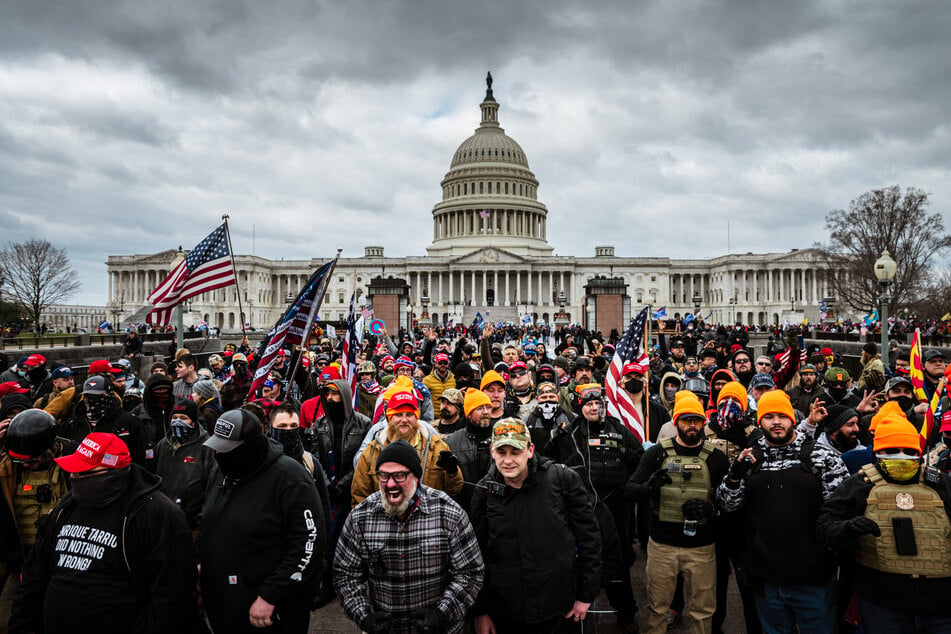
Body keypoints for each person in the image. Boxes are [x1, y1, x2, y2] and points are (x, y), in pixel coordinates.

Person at [10, 433, 201, 633]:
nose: (74, 477)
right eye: (73, 471)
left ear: (113, 471)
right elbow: (35, 573)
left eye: (83, 472)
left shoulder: (157, 515)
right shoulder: (67, 506)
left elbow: (173, 596)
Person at [717, 390, 849, 632]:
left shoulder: (822, 457)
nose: (776, 422)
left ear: (792, 418)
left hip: (814, 581)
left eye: (782, 416)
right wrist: (735, 475)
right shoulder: (750, 459)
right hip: (767, 581)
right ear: (759, 422)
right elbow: (728, 504)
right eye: (769, 416)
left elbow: (841, 511)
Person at [817, 410, 951, 632]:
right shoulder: (859, 485)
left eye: (908, 451)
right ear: (878, 453)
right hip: (882, 602)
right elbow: (825, 526)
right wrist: (848, 529)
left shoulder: (941, 484)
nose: (900, 456)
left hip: (941, 604)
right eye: (891, 451)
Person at [334, 439, 484, 633]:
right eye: (384, 476)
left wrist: (442, 613)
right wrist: (363, 616)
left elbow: (471, 572)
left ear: (416, 476)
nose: (390, 484)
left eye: (399, 476)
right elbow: (345, 575)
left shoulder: (449, 513)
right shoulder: (360, 517)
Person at [200, 409, 326, 633]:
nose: (220, 455)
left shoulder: (291, 478)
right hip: (225, 603)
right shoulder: (220, 472)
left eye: (227, 450)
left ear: (249, 446)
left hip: (270, 610)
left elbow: (308, 543)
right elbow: (210, 521)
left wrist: (271, 595)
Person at [471, 418, 602, 633]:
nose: (508, 460)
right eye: (501, 452)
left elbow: (590, 540)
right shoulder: (484, 491)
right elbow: (477, 556)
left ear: (530, 450)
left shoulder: (562, 480)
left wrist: (585, 596)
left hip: (560, 609)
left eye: (515, 452)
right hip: (507, 613)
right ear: (492, 452)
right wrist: (481, 611)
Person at [627, 391, 729, 634]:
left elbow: (730, 504)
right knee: (657, 609)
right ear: (676, 421)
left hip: (702, 548)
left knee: (702, 612)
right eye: (686, 420)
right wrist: (649, 487)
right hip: (663, 546)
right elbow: (629, 491)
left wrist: (710, 509)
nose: (692, 426)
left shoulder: (716, 458)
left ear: (704, 422)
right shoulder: (656, 454)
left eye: (696, 420)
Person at [544, 383, 643, 633]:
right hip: (581, 508)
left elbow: (641, 460)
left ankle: (626, 611)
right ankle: (576, 608)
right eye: (589, 404)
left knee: (618, 561)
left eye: (598, 404)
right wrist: (556, 440)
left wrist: (624, 452)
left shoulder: (619, 429)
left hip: (616, 507)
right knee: (581, 557)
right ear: (581, 406)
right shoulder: (571, 432)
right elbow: (547, 461)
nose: (594, 408)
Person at [0, 410, 70, 615]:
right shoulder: (7, 471)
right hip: (21, 562)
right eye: (19, 462)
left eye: (30, 461)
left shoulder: (69, 464)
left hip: (60, 564)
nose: (25, 466)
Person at [351, 391, 462, 506]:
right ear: (389, 417)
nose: (404, 420)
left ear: (416, 417)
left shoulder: (438, 448)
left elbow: (454, 490)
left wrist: (452, 473)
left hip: (428, 519)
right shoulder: (372, 452)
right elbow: (359, 497)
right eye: (398, 415)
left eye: (409, 415)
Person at [154, 398, 214, 530]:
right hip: (159, 514)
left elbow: (210, 484)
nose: (177, 421)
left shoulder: (206, 447)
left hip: (189, 519)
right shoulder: (162, 444)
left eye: (183, 417)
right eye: (174, 417)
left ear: (193, 421)